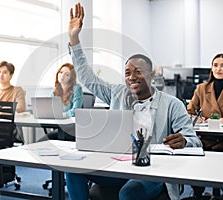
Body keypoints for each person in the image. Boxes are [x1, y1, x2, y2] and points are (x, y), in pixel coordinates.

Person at [65, 3, 202, 200]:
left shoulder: (173, 104)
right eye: (127, 73)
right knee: (73, 170)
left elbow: (195, 142)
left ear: (151, 75)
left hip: (153, 171)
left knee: (129, 193)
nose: (132, 77)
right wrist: (74, 38)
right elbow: (88, 78)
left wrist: (184, 141)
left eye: (138, 71)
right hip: (117, 165)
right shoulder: (117, 93)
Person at [187, 53, 223, 199]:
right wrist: (195, 119)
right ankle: (197, 193)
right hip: (206, 139)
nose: (219, 68)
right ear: (211, 68)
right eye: (215, 65)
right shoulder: (202, 88)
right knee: (196, 152)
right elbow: (189, 112)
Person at [39, 62, 83, 141]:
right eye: (61, 72)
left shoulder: (77, 88)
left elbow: (75, 111)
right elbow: (50, 108)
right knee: (39, 142)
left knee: (54, 141)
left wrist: (61, 115)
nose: (62, 76)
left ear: (71, 78)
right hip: (59, 128)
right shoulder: (55, 89)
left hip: (72, 129)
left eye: (67, 74)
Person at [0, 61, 26, 142]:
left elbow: (21, 108)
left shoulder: (17, 90)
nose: (1, 75)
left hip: (7, 128)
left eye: (5, 72)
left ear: (11, 75)